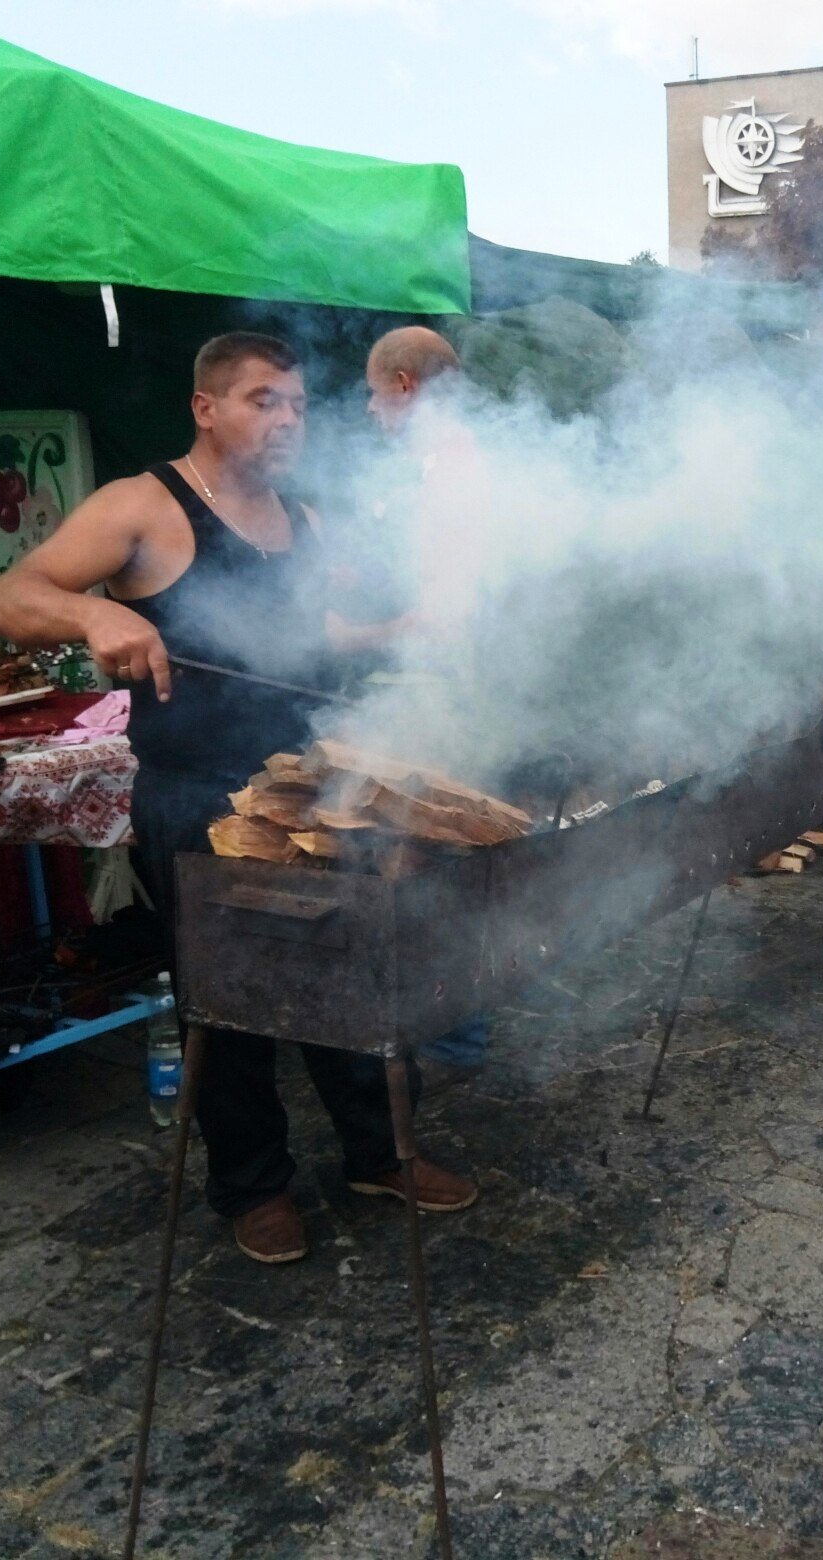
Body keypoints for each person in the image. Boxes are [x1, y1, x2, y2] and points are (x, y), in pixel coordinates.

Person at [0, 331, 478, 1266]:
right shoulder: (144, 505)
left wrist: (413, 628)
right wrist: (98, 610)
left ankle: (381, 1151)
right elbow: (10, 596)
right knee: (230, 998)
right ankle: (255, 1187)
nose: (287, 419)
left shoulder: (304, 518)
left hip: (308, 787)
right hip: (197, 794)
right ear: (206, 408)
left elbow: (317, 637)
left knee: (350, 966)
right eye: (262, 401)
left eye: (295, 404)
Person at [359, 325, 491, 1094]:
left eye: (375, 394)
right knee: (447, 863)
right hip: (465, 689)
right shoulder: (457, 459)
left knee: (424, 865)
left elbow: (449, 613)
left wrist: (353, 636)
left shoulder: (454, 470)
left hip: (454, 696)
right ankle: (451, 1038)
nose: (373, 412)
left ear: (404, 386)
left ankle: (447, 1047)